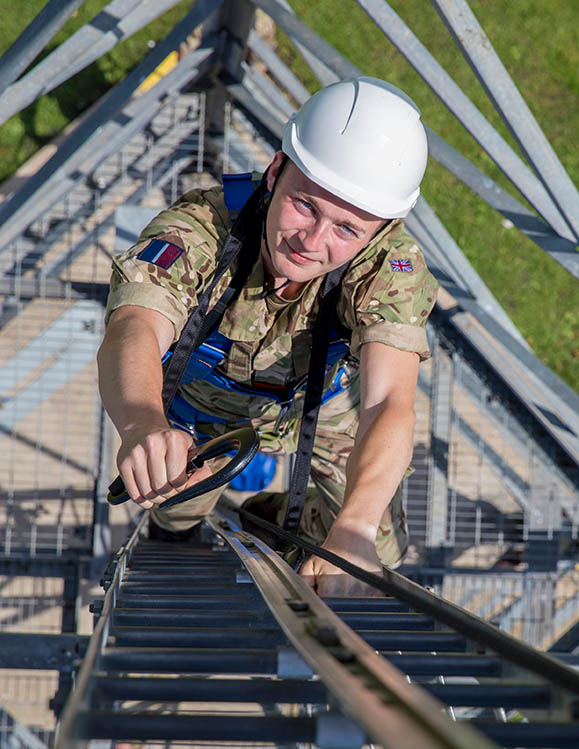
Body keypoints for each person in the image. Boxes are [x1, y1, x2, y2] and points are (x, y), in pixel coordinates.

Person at [97, 76, 439, 596]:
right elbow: (136, 325)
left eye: (347, 229)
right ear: (275, 170)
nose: (312, 242)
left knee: (379, 551)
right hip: (201, 409)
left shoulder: (390, 267)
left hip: (318, 409)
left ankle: (276, 521)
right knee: (172, 508)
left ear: (382, 231)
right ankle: (181, 536)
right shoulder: (204, 225)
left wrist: (355, 529)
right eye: (305, 205)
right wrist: (142, 424)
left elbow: (390, 399)